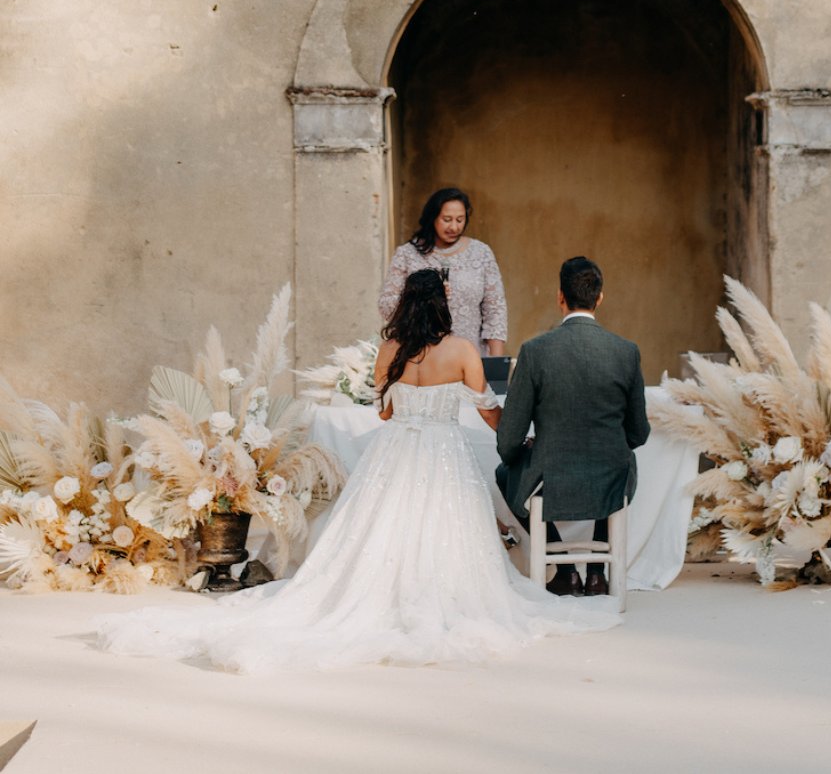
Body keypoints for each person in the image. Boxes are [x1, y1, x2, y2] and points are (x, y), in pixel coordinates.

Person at [95, 270, 618, 672]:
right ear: (443, 306)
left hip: (395, 454)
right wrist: (520, 429)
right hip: (442, 455)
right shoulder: (461, 350)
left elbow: (384, 411)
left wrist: (410, 402)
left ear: (406, 307)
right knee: (443, 529)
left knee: (380, 530)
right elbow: (487, 409)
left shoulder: (389, 350)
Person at [496, 256, 649, 597]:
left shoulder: (535, 352)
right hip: (612, 474)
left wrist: (521, 451)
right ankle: (596, 574)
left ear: (559, 297)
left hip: (551, 473)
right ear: (600, 298)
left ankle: (565, 574)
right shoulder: (626, 352)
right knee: (613, 464)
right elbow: (639, 433)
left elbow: (508, 438)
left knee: (505, 472)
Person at [379, 187, 508, 357]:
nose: (454, 227)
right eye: (447, 219)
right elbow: (386, 306)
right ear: (432, 218)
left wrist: (496, 364)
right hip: (420, 356)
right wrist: (422, 295)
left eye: (460, 220)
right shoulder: (407, 254)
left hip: (470, 357)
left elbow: (495, 310)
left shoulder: (481, 253)